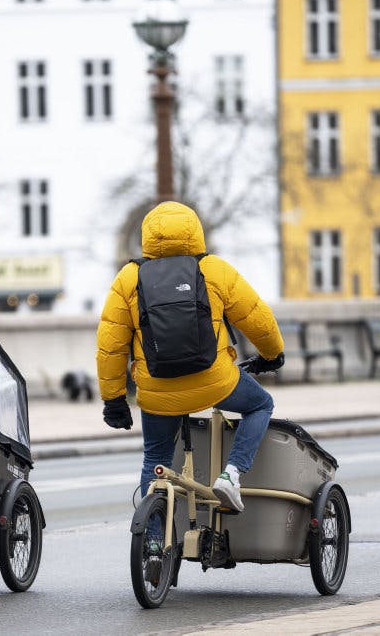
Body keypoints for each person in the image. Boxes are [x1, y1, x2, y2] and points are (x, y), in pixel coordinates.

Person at [96, 201, 284, 513]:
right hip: (215, 382)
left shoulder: (128, 278)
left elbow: (110, 344)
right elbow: (256, 317)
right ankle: (231, 473)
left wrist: (113, 400)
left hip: (158, 392)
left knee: (155, 457)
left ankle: (153, 545)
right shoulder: (214, 269)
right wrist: (272, 354)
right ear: (194, 231)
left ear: (148, 236)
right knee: (261, 404)